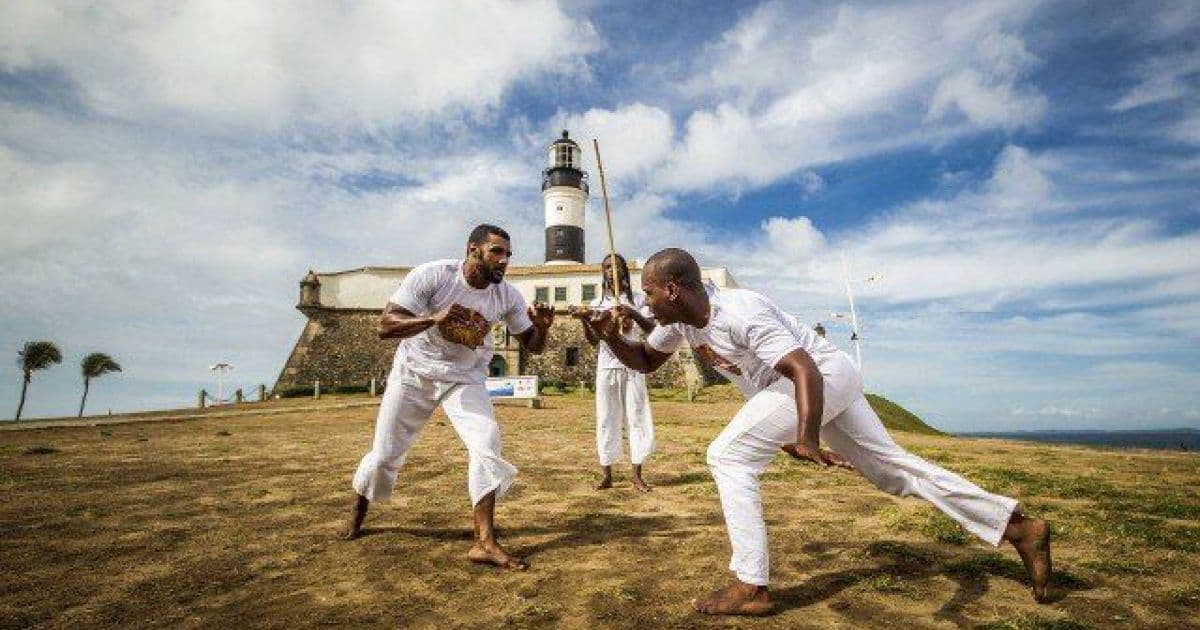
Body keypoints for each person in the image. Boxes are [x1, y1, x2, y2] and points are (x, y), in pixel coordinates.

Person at [585, 248, 1052, 615]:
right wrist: (608, 335)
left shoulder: (740, 311)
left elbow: (804, 369)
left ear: (671, 289)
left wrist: (806, 437)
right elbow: (643, 361)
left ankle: (752, 584)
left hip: (822, 376)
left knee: (728, 456)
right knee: (892, 472)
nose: (642, 302)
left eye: (647, 292)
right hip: (816, 384)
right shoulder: (683, 325)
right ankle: (1018, 527)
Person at [340, 224, 554, 571]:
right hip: (415, 373)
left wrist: (542, 327)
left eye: (508, 255)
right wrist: (433, 318)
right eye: (497, 252)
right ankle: (359, 508)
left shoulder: (507, 296)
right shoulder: (434, 276)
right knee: (384, 455)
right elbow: (385, 325)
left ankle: (483, 542)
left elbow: (533, 345)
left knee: (487, 444)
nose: (504, 261)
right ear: (474, 250)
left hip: (465, 378)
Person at [570, 253, 656, 492]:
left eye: (616, 267)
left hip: (634, 365)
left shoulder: (639, 299)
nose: (611, 271)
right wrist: (586, 320)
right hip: (607, 366)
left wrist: (632, 312)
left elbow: (652, 329)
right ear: (603, 272)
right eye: (607, 267)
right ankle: (607, 473)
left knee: (636, 417)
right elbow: (593, 341)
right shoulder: (597, 303)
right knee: (607, 418)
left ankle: (637, 475)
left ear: (624, 272)